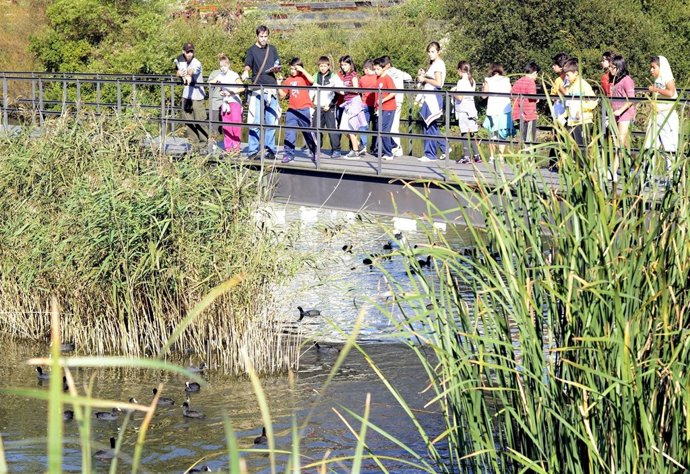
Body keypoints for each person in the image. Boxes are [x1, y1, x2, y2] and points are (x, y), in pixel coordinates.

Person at [241, 25, 281, 161]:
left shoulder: (272, 49)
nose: (264, 39)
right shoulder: (252, 50)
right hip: (258, 89)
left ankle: (270, 149)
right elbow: (248, 64)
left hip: (272, 87)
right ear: (257, 36)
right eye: (261, 36)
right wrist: (246, 71)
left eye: (266, 36)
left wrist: (276, 69)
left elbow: (277, 62)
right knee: (256, 120)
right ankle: (253, 151)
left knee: (271, 121)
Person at [278, 58, 318, 163]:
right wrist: (278, 85)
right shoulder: (288, 80)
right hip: (292, 110)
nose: (292, 71)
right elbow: (282, 95)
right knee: (289, 133)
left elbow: (312, 81)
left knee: (308, 132)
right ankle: (288, 154)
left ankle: (314, 151)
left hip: (304, 109)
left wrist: (302, 70)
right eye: (291, 68)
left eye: (294, 69)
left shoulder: (303, 77)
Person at [416, 41, 447, 162]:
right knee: (430, 125)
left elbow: (438, 83)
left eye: (433, 51)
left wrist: (424, 79)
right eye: (429, 52)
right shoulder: (435, 64)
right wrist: (425, 76)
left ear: (439, 52)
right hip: (429, 97)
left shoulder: (438, 64)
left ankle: (430, 154)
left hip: (433, 98)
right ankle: (443, 148)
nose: (430, 54)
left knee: (429, 125)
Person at [175, 42, 208, 150]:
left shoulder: (196, 62)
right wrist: (179, 73)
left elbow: (193, 70)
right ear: (184, 52)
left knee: (199, 120)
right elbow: (177, 72)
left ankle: (204, 143)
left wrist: (189, 75)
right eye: (188, 52)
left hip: (197, 95)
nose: (190, 54)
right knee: (188, 120)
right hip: (186, 95)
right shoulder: (180, 60)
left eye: (191, 51)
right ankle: (194, 144)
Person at [645, 55, 678, 159]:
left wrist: (655, 89)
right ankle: (648, 173)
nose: (651, 70)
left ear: (661, 67)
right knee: (649, 146)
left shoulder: (667, 77)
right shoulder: (657, 79)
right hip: (656, 115)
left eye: (654, 67)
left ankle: (672, 174)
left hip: (667, 115)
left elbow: (671, 92)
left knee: (669, 148)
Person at [209, 54, 243, 153]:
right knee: (226, 126)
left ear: (228, 65)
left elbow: (242, 87)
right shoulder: (220, 75)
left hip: (234, 101)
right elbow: (212, 82)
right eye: (221, 66)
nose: (223, 68)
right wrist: (219, 90)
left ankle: (236, 147)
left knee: (235, 125)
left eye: (224, 65)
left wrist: (231, 92)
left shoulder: (234, 74)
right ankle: (228, 148)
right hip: (225, 102)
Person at [609, 54, 636, 178]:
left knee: (620, 142)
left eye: (612, 67)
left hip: (625, 114)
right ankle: (633, 166)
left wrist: (620, 111)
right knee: (623, 143)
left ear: (618, 67)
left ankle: (612, 171)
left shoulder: (627, 80)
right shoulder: (615, 80)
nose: (610, 69)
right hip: (615, 114)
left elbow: (631, 99)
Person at [563, 58, 598, 147]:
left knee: (582, 148)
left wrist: (582, 109)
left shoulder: (583, 85)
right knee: (573, 149)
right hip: (572, 122)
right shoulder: (571, 86)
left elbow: (593, 101)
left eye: (568, 75)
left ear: (576, 73)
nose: (566, 77)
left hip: (583, 121)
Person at [312, 56, 343, 158]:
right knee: (316, 129)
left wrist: (330, 105)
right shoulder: (316, 76)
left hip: (329, 107)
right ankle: (316, 149)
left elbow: (338, 93)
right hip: (318, 106)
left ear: (329, 66)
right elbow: (311, 91)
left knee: (332, 129)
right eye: (321, 66)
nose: (323, 68)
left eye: (325, 66)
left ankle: (336, 150)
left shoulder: (333, 76)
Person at [381, 56, 412, 156]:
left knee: (391, 126)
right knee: (394, 125)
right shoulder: (399, 72)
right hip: (399, 99)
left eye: (383, 66)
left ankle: (396, 147)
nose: (382, 68)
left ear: (388, 65)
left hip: (391, 100)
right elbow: (409, 77)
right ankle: (396, 147)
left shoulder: (386, 74)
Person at [482, 63, 514, 160]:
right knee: (502, 135)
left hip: (493, 109)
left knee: (492, 134)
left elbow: (484, 96)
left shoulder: (488, 80)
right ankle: (501, 156)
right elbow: (511, 93)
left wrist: (483, 87)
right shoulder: (506, 80)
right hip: (504, 109)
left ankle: (492, 157)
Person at [337, 55, 366, 159]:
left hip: (354, 103)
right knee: (343, 128)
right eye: (342, 65)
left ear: (350, 64)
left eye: (345, 64)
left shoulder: (353, 75)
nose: (343, 67)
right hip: (347, 103)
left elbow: (356, 90)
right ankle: (359, 145)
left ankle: (355, 151)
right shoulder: (345, 76)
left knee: (351, 128)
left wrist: (345, 88)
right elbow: (343, 92)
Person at [451, 61, 480, 164]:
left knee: (464, 132)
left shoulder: (461, 82)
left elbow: (460, 97)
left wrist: (453, 93)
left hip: (463, 110)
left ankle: (467, 156)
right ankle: (477, 155)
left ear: (459, 70)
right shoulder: (472, 81)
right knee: (471, 133)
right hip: (471, 110)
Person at [372, 56, 397, 160]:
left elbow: (394, 92)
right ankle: (393, 145)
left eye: (378, 69)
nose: (376, 71)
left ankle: (388, 153)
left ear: (383, 68)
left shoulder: (387, 78)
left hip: (388, 108)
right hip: (380, 108)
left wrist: (383, 100)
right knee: (379, 128)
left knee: (384, 130)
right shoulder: (378, 78)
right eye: (375, 69)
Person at [511, 62, 540, 145]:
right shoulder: (531, 82)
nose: (536, 77)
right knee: (530, 139)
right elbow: (531, 96)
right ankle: (529, 156)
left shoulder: (518, 81)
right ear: (534, 72)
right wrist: (537, 99)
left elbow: (512, 94)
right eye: (536, 74)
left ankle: (523, 154)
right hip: (529, 114)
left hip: (519, 113)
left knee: (523, 136)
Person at [358, 59, 378, 154]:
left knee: (363, 126)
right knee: (376, 127)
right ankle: (374, 147)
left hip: (364, 104)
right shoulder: (377, 78)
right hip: (375, 105)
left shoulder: (362, 79)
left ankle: (363, 146)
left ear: (366, 68)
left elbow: (359, 91)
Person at [550, 52, 570, 126]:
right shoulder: (564, 79)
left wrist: (561, 89)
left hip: (562, 113)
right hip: (562, 112)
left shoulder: (561, 80)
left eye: (555, 65)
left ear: (561, 67)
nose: (553, 67)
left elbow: (553, 97)